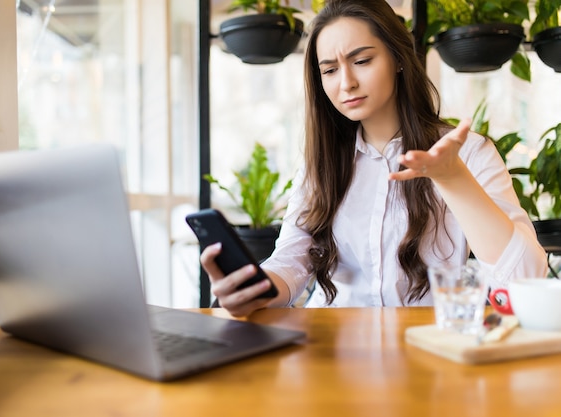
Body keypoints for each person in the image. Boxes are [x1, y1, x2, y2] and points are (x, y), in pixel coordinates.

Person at [201, 0, 548, 317]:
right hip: (330, 346)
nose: (346, 83)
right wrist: (256, 289)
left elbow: (523, 279)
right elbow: (291, 260)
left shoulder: (467, 153)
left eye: (362, 61)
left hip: (423, 348)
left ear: (398, 58)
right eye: (330, 70)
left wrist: (453, 178)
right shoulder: (320, 162)